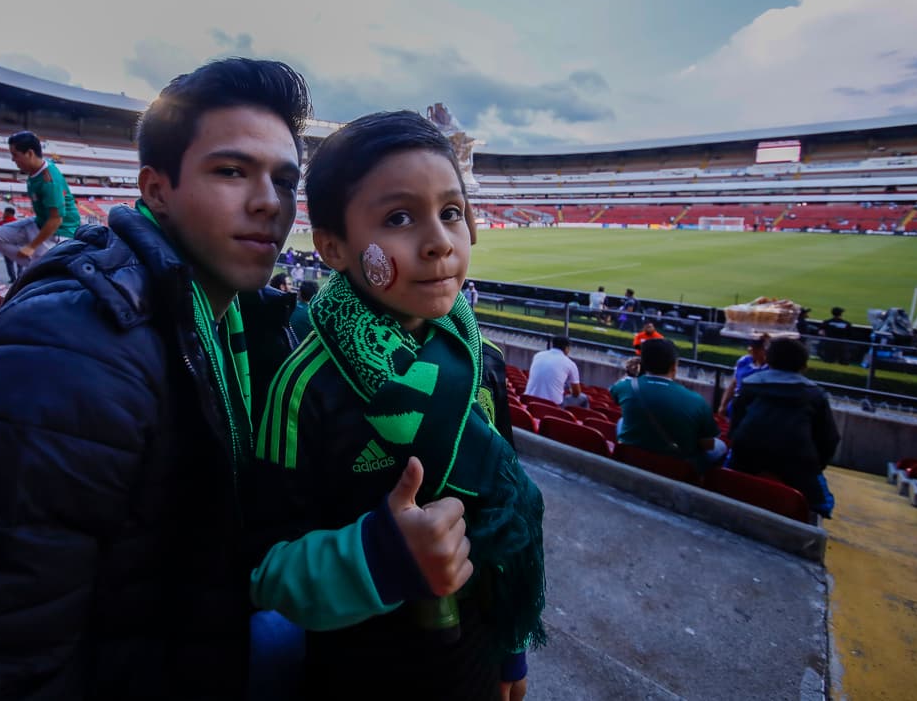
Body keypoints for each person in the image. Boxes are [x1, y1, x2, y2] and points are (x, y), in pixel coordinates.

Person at [0, 58, 318, 699]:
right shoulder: (62, 363)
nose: (269, 201)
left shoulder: (229, 325)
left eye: (285, 179)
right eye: (232, 171)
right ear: (157, 190)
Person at [250, 110, 545, 701]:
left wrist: (512, 648)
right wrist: (380, 557)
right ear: (333, 247)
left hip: (480, 652)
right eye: (400, 217)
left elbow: (507, 506)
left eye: (452, 212)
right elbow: (264, 569)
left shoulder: (479, 358)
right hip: (364, 672)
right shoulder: (304, 387)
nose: (439, 241)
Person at [729, 338, 840, 517]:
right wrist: (814, 465)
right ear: (803, 365)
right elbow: (829, 439)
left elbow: (735, 426)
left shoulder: (750, 385)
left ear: (769, 360)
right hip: (797, 465)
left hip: (745, 459)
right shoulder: (814, 395)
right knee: (823, 506)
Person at [611, 338, 725, 468]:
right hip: (677, 465)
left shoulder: (625, 386)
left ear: (643, 364)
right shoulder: (697, 401)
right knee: (720, 445)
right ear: (674, 366)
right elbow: (707, 445)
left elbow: (615, 390)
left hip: (633, 456)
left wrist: (633, 374)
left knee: (622, 421)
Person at [0, 131, 81, 278]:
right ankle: (38, 265)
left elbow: (56, 220)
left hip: (59, 232)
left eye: (15, 155)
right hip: (39, 223)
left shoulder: (49, 181)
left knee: (36, 277)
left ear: (30, 153)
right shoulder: (34, 170)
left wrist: (32, 246)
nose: (13, 159)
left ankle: (41, 267)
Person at [524, 334, 589, 409]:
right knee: (584, 398)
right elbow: (576, 393)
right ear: (567, 348)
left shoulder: (538, 355)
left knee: (564, 386)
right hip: (553, 405)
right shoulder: (570, 364)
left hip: (528, 399)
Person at [715, 335, 769, 420]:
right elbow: (733, 384)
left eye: (756, 348)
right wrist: (723, 405)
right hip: (736, 407)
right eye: (751, 347)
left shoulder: (770, 368)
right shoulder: (743, 361)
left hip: (754, 412)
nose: (751, 350)